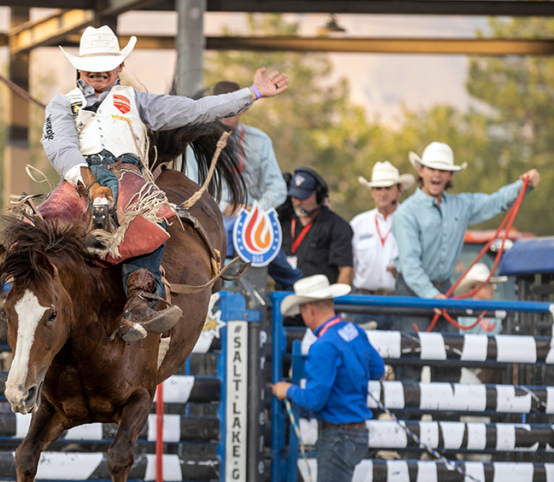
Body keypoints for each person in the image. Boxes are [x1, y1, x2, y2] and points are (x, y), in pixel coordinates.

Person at [41, 25, 288, 341]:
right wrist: (88, 183)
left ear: (119, 66)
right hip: (80, 176)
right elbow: (60, 146)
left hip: (127, 173)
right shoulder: (62, 104)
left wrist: (252, 93)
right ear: (80, 67)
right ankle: (18, 298)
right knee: (40, 224)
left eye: (106, 64)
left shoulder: (138, 102)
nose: (99, 71)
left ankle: (138, 301)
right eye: (92, 64)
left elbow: (196, 110)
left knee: (153, 220)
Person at [272, 274, 385, 482]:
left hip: (338, 435)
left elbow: (314, 399)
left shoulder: (323, 345)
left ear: (309, 310)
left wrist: (288, 389)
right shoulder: (352, 331)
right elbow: (377, 369)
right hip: (355, 432)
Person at [393, 141, 539, 302]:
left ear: (450, 175)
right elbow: (410, 264)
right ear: (421, 171)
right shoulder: (406, 213)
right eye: (432, 169)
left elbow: (495, 202)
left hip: (444, 288)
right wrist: (432, 295)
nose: (437, 174)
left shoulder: (461, 205)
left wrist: (523, 185)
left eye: (442, 170)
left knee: (450, 328)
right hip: (412, 289)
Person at [188, 81, 287, 216]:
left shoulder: (260, 140)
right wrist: (224, 208)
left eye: (233, 108)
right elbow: (191, 187)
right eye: (221, 108)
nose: (227, 114)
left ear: (242, 109)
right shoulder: (196, 142)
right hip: (211, 219)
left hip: (251, 222)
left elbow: (278, 188)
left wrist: (255, 210)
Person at [348, 162, 414, 330]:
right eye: (377, 188)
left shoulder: (412, 222)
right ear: (372, 192)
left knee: (401, 352)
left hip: (400, 302)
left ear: (399, 189)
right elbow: (349, 267)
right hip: (364, 302)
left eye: (387, 187)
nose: (382, 193)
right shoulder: (358, 224)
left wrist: (403, 271)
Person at [278, 167, 353, 286]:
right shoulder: (282, 222)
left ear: (318, 196)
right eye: (294, 196)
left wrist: (337, 303)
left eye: (303, 197)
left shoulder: (337, 226)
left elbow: (346, 271)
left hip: (319, 300)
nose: (297, 202)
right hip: (284, 298)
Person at [453, 263, 506, 335]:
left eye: (490, 284)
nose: (490, 289)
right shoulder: (462, 309)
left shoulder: (497, 309)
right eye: (485, 285)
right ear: (471, 289)